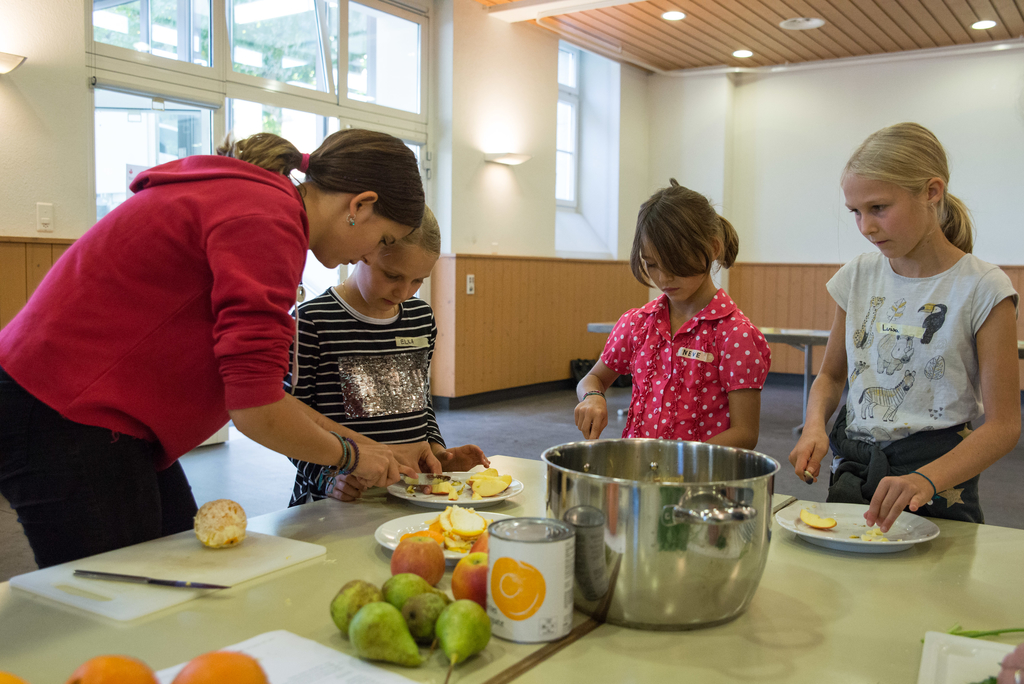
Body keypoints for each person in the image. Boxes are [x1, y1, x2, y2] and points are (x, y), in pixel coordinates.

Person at [0, 129, 436, 568]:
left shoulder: (256, 200)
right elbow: (255, 409)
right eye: (383, 241)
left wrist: (369, 448)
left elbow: (264, 390)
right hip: (60, 409)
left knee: (174, 569)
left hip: (84, 407)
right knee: (120, 591)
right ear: (359, 206)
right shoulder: (270, 221)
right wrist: (354, 455)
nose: (369, 253)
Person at [789, 122, 1020, 532]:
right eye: (855, 212)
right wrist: (814, 427)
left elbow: (1003, 426)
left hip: (939, 479)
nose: (866, 227)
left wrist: (926, 479)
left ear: (932, 191)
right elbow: (830, 375)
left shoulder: (983, 287)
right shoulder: (858, 276)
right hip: (856, 467)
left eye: (879, 208)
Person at [286, 207, 488, 505]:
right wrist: (326, 477)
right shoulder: (311, 322)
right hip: (337, 502)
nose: (404, 291)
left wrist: (437, 452)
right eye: (392, 275)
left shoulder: (421, 317)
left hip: (408, 493)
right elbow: (288, 423)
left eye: (418, 280)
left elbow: (420, 400)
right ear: (362, 251)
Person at [574, 180, 770, 448]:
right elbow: (593, 378)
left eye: (675, 264)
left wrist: (678, 463)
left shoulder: (734, 335)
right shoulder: (638, 323)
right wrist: (593, 396)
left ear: (713, 248)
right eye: (652, 265)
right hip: (639, 472)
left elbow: (745, 433)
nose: (663, 278)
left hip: (699, 481)